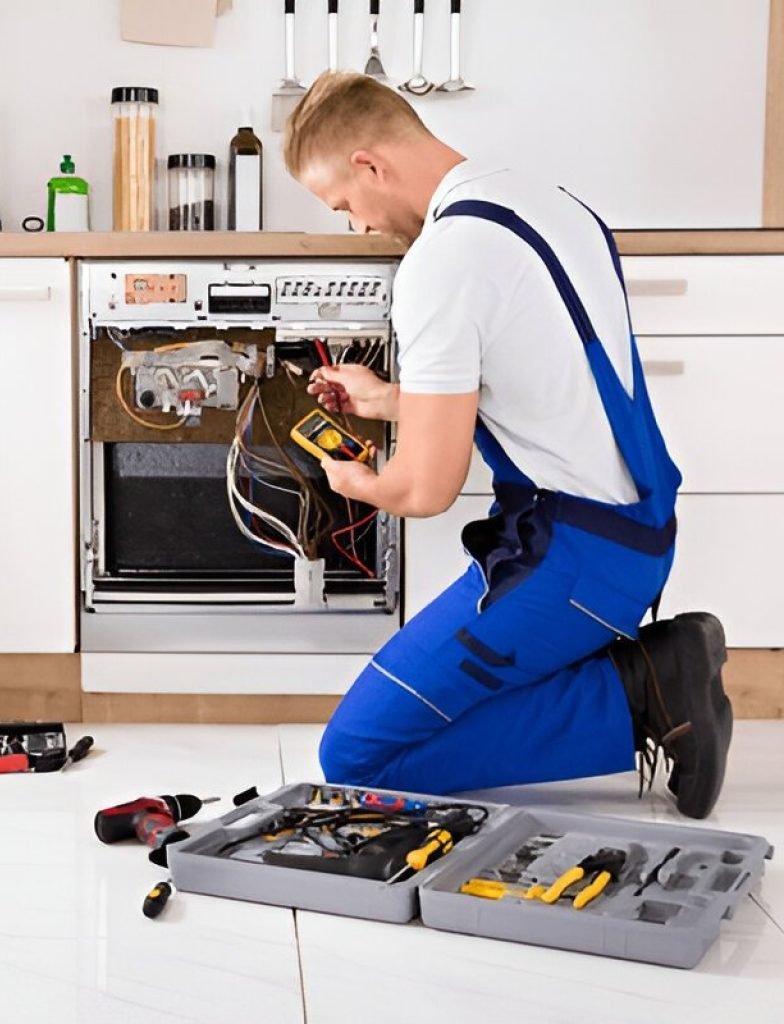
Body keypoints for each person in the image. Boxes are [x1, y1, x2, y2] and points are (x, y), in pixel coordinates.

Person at [283, 72, 732, 819]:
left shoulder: (442, 260)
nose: (357, 227)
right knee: (420, 710)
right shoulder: (550, 204)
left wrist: (353, 482)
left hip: (572, 564)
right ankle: (638, 676)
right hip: (638, 536)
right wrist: (392, 400)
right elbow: (545, 386)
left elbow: (424, 490)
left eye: (345, 206)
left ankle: (644, 689)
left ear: (369, 166)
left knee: (356, 755)